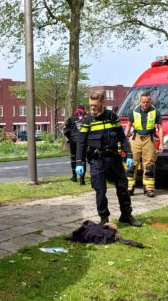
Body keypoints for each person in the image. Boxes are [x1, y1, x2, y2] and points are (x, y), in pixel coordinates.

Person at [75, 92, 142, 227]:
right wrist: (79, 162)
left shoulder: (112, 117)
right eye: (91, 105)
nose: (92, 108)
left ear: (102, 102)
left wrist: (129, 153)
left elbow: (122, 137)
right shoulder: (87, 120)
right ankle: (104, 219)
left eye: (95, 105)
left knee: (122, 186)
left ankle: (126, 215)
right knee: (100, 190)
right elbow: (81, 143)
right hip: (97, 160)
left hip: (114, 158)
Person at [124, 92, 162, 198]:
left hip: (149, 139)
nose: (145, 104)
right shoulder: (133, 112)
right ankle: (129, 187)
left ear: (150, 102)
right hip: (135, 139)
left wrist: (161, 144)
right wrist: (123, 139)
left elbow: (160, 128)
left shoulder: (156, 112)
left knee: (149, 165)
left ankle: (149, 188)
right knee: (131, 164)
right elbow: (128, 125)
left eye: (147, 102)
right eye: (143, 102)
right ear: (140, 102)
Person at [64, 103, 86, 184]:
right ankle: (82, 179)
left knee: (73, 158)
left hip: (73, 141)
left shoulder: (71, 118)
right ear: (84, 110)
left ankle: (74, 176)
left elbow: (65, 131)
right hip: (83, 141)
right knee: (82, 158)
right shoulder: (86, 119)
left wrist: (70, 137)